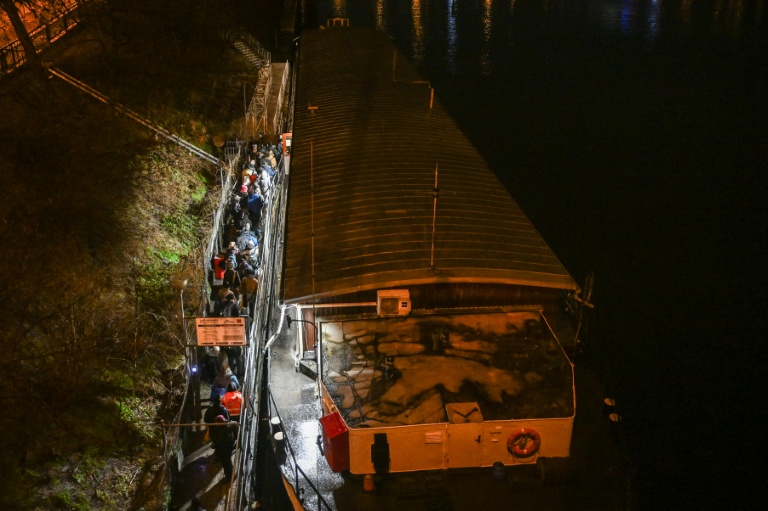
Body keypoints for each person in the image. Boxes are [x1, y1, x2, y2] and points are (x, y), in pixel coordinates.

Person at [210, 415, 235, 482]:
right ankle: (231, 474)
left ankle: (229, 477)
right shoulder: (228, 425)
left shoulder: (224, 430)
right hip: (227, 447)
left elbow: (223, 441)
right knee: (228, 463)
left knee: (226, 464)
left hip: (225, 449)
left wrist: (215, 445)